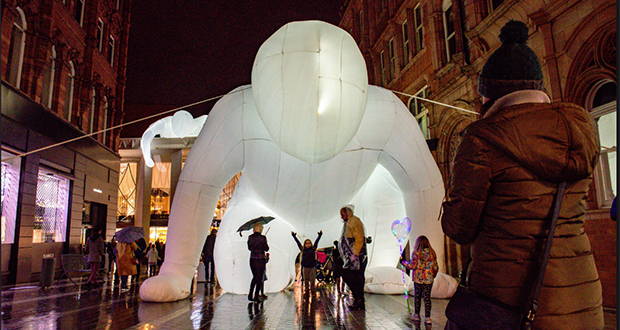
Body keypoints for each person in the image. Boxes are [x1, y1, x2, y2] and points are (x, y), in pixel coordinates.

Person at [441, 20, 603, 329]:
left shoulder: (483, 140)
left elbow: (460, 228)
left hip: (508, 301)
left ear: (489, 94)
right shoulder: (579, 130)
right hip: (579, 297)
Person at [403, 236, 438, 325]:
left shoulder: (416, 253)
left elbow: (412, 266)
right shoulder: (432, 253)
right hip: (429, 279)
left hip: (418, 279)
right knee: (427, 298)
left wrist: (403, 263)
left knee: (417, 297)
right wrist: (434, 275)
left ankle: (417, 315)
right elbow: (435, 267)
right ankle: (427, 318)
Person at [339, 205, 367, 310]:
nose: (341, 217)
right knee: (354, 278)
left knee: (354, 277)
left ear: (348, 213)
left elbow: (359, 239)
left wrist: (354, 254)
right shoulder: (349, 222)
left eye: (343, 214)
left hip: (356, 257)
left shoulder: (354, 221)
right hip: (352, 257)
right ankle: (358, 300)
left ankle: (358, 300)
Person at [291, 230, 323, 295]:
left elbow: (316, 242)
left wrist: (319, 236)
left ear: (311, 244)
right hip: (305, 267)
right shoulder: (303, 249)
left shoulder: (313, 248)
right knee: (306, 281)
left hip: (312, 267)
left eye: (309, 243)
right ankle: (307, 292)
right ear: (304, 244)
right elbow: (298, 243)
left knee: (312, 280)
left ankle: (313, 292)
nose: (308, 244)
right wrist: (294, 236)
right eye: (306, 243)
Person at [247, 223, 269, 302]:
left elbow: (249, 248)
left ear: (254, 229)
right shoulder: (263, 238)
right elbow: (267, 248)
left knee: (255, 277)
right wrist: (262, 244)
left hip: (252, 259)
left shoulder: (250, 237)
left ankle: (250, 294)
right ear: (260, 229)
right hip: (260, 260)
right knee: (259, 279)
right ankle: (256, 296)